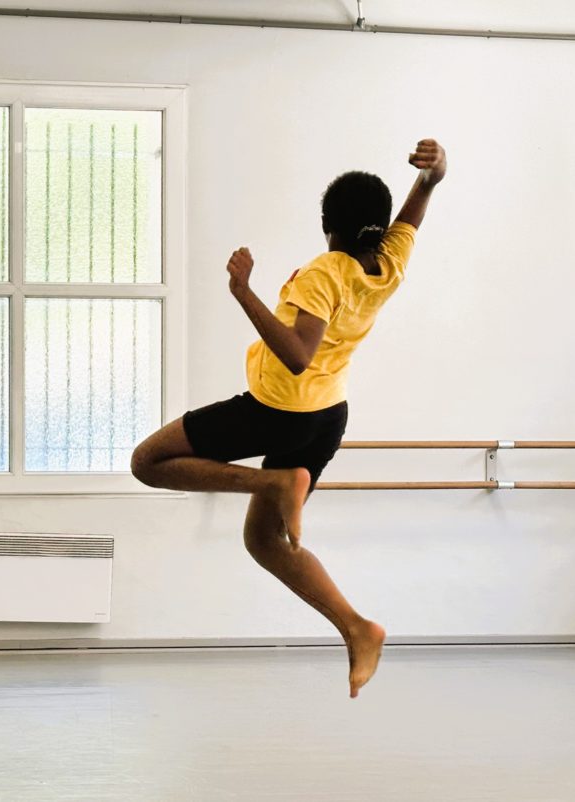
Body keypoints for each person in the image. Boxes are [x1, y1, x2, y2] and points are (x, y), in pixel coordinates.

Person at [130, 140, 448, 697]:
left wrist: (243, 292)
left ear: (328, 227)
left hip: (278, 410)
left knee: (148, 462)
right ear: (379, 227)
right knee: (263, 540)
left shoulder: (325, 273)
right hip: (327, 417)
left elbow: (299, 354)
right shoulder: (389, 261)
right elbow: (413, 212)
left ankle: (276, 482)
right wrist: (433, 175)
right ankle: (358, 628)